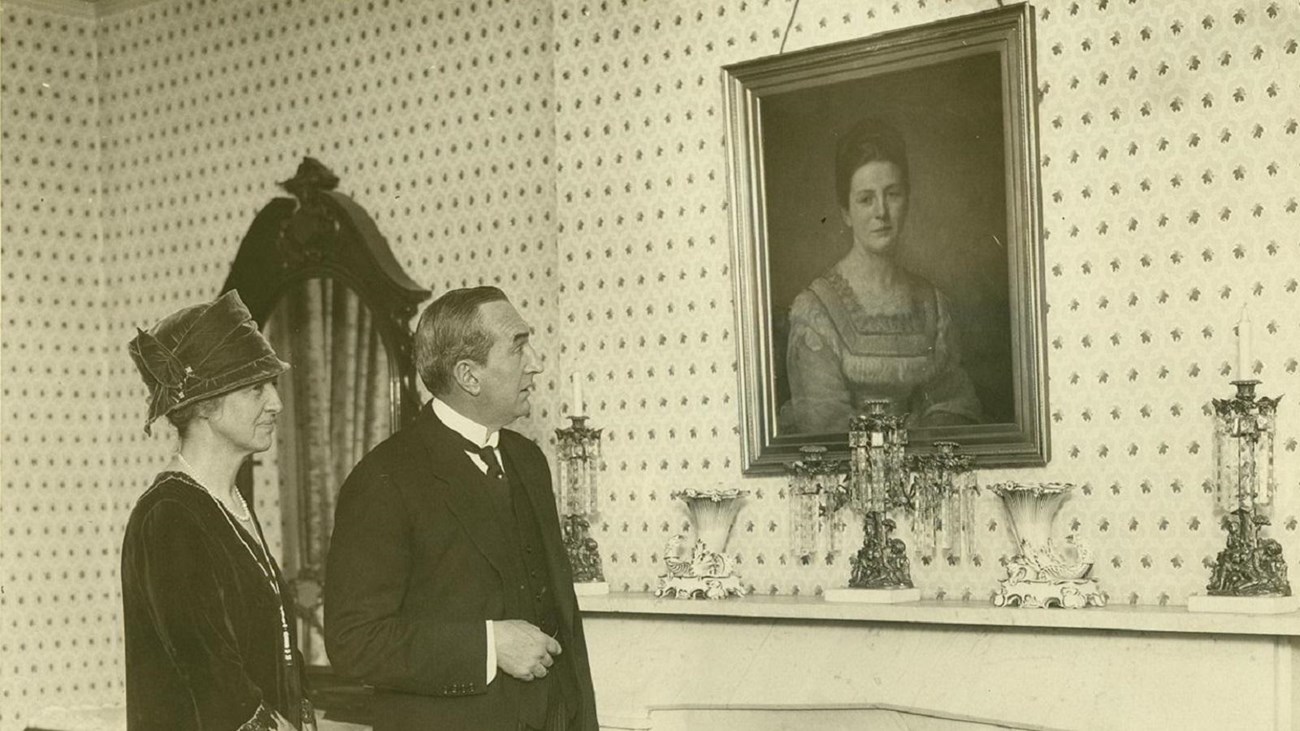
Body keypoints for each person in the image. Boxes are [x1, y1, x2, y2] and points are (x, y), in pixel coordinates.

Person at [324, 286, 599, 731]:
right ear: (469, 376)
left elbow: (566, 625)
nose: (537, 363)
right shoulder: (384, 479)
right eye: (518, 347)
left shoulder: (529, 461)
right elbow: (355, 641)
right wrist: (488, 646)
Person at [121, 290, 316, 730]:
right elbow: (212, 676)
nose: (276, 404)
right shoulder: (170, 516)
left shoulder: (225, 504)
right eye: (255, 389)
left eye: (272, 385)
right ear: (206, 405)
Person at [781, 117, 982, 434]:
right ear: (846, 212)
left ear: (908, 199)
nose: (881, 213)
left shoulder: (932, 304)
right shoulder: (816, 310)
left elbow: (952, 405)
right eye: (865, 199)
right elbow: (826, 424)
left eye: (893, 194)